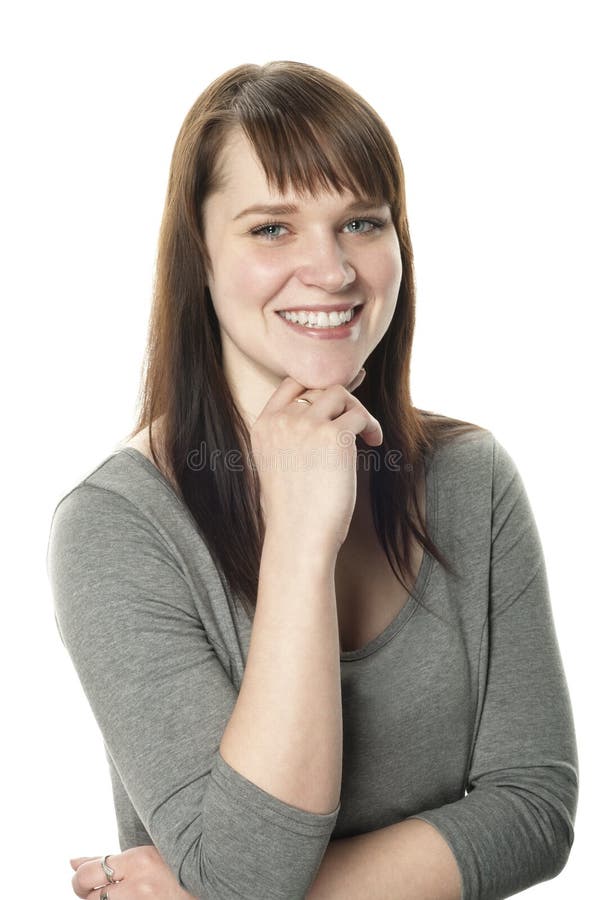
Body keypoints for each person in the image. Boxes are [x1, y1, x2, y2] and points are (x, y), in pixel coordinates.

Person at [46, 60, 578, 900]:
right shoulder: (118, 525)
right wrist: (300, 534)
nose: (331, 272)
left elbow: (535, 812)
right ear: (201, 254)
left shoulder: (472, 478)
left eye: (360, 222)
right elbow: (244, 872)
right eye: (271, 229)